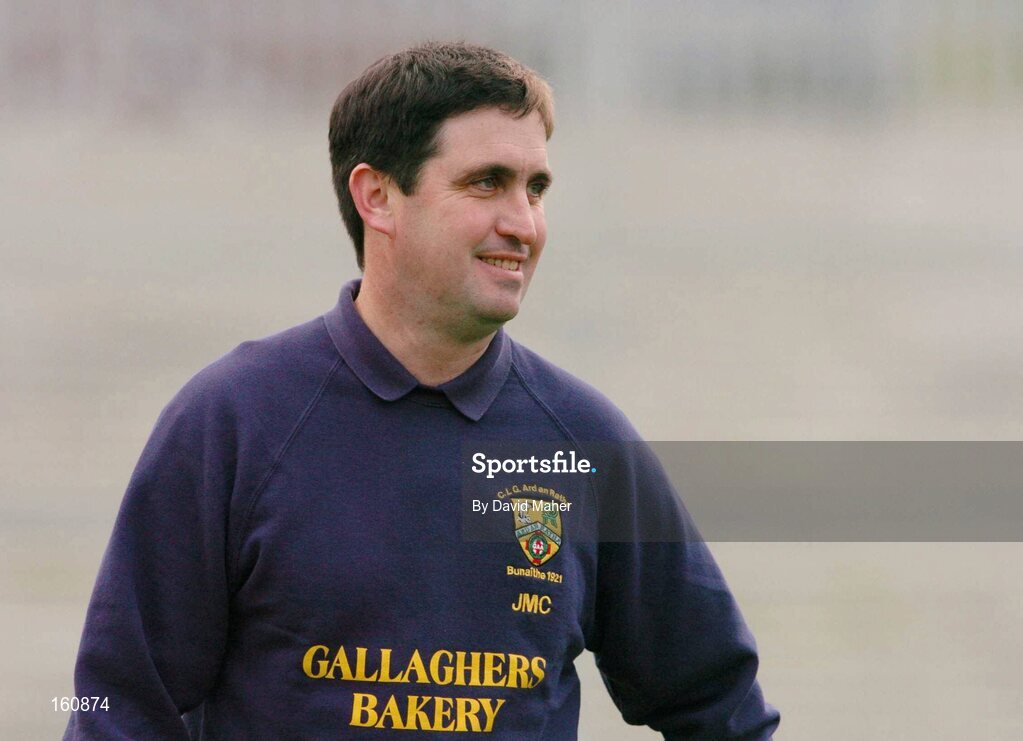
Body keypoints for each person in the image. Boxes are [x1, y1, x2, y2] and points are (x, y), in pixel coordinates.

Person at [66, 42, 779, 739]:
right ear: (377, 196)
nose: (523, 224)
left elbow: (719, 705)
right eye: (485, 182)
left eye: (535, 188)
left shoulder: (582, 440)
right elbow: (120, 711)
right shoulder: (233, 421)